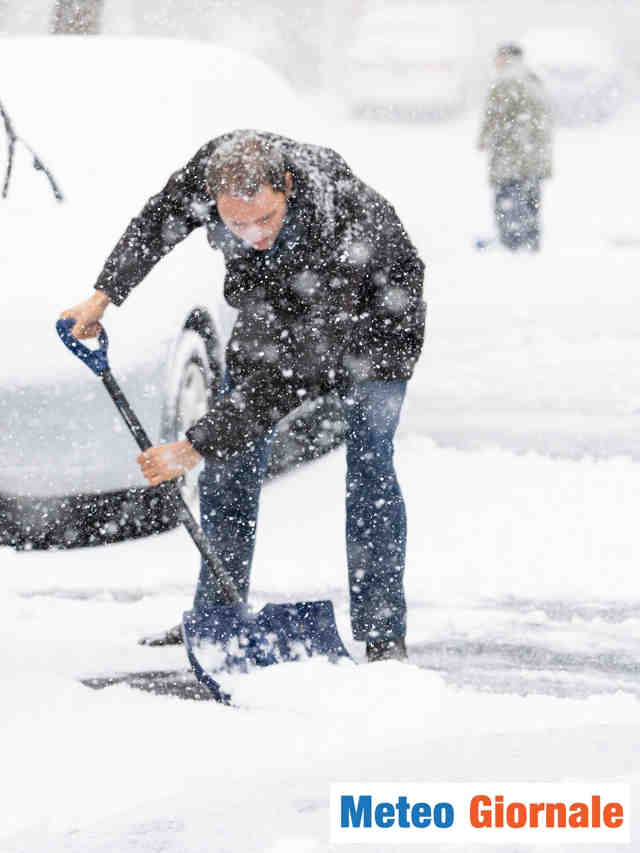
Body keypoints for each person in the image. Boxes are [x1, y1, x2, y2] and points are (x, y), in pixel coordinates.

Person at [60, 130, 425, 662]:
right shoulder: (212, 170)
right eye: (236, 224)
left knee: (369, 465)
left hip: (378, 320)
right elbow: (156, 223)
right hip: (278, 300)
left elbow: (289, 378)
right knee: (229, 460)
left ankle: (383, 631)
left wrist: (191, 446)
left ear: (288, 189)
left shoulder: (339, 228)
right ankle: (217, 614)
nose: (253, 234)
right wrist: (103, 295)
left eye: (266, 220)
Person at [477, 42, 553, 251]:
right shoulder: (533, 79)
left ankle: (511, 244)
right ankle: (530, 241)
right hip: (534, 157)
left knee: (508, 202)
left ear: (504, 58)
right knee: (530, 202)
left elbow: (495, 117)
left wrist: (484, 139)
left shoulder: (505, 81)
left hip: (511, 157)